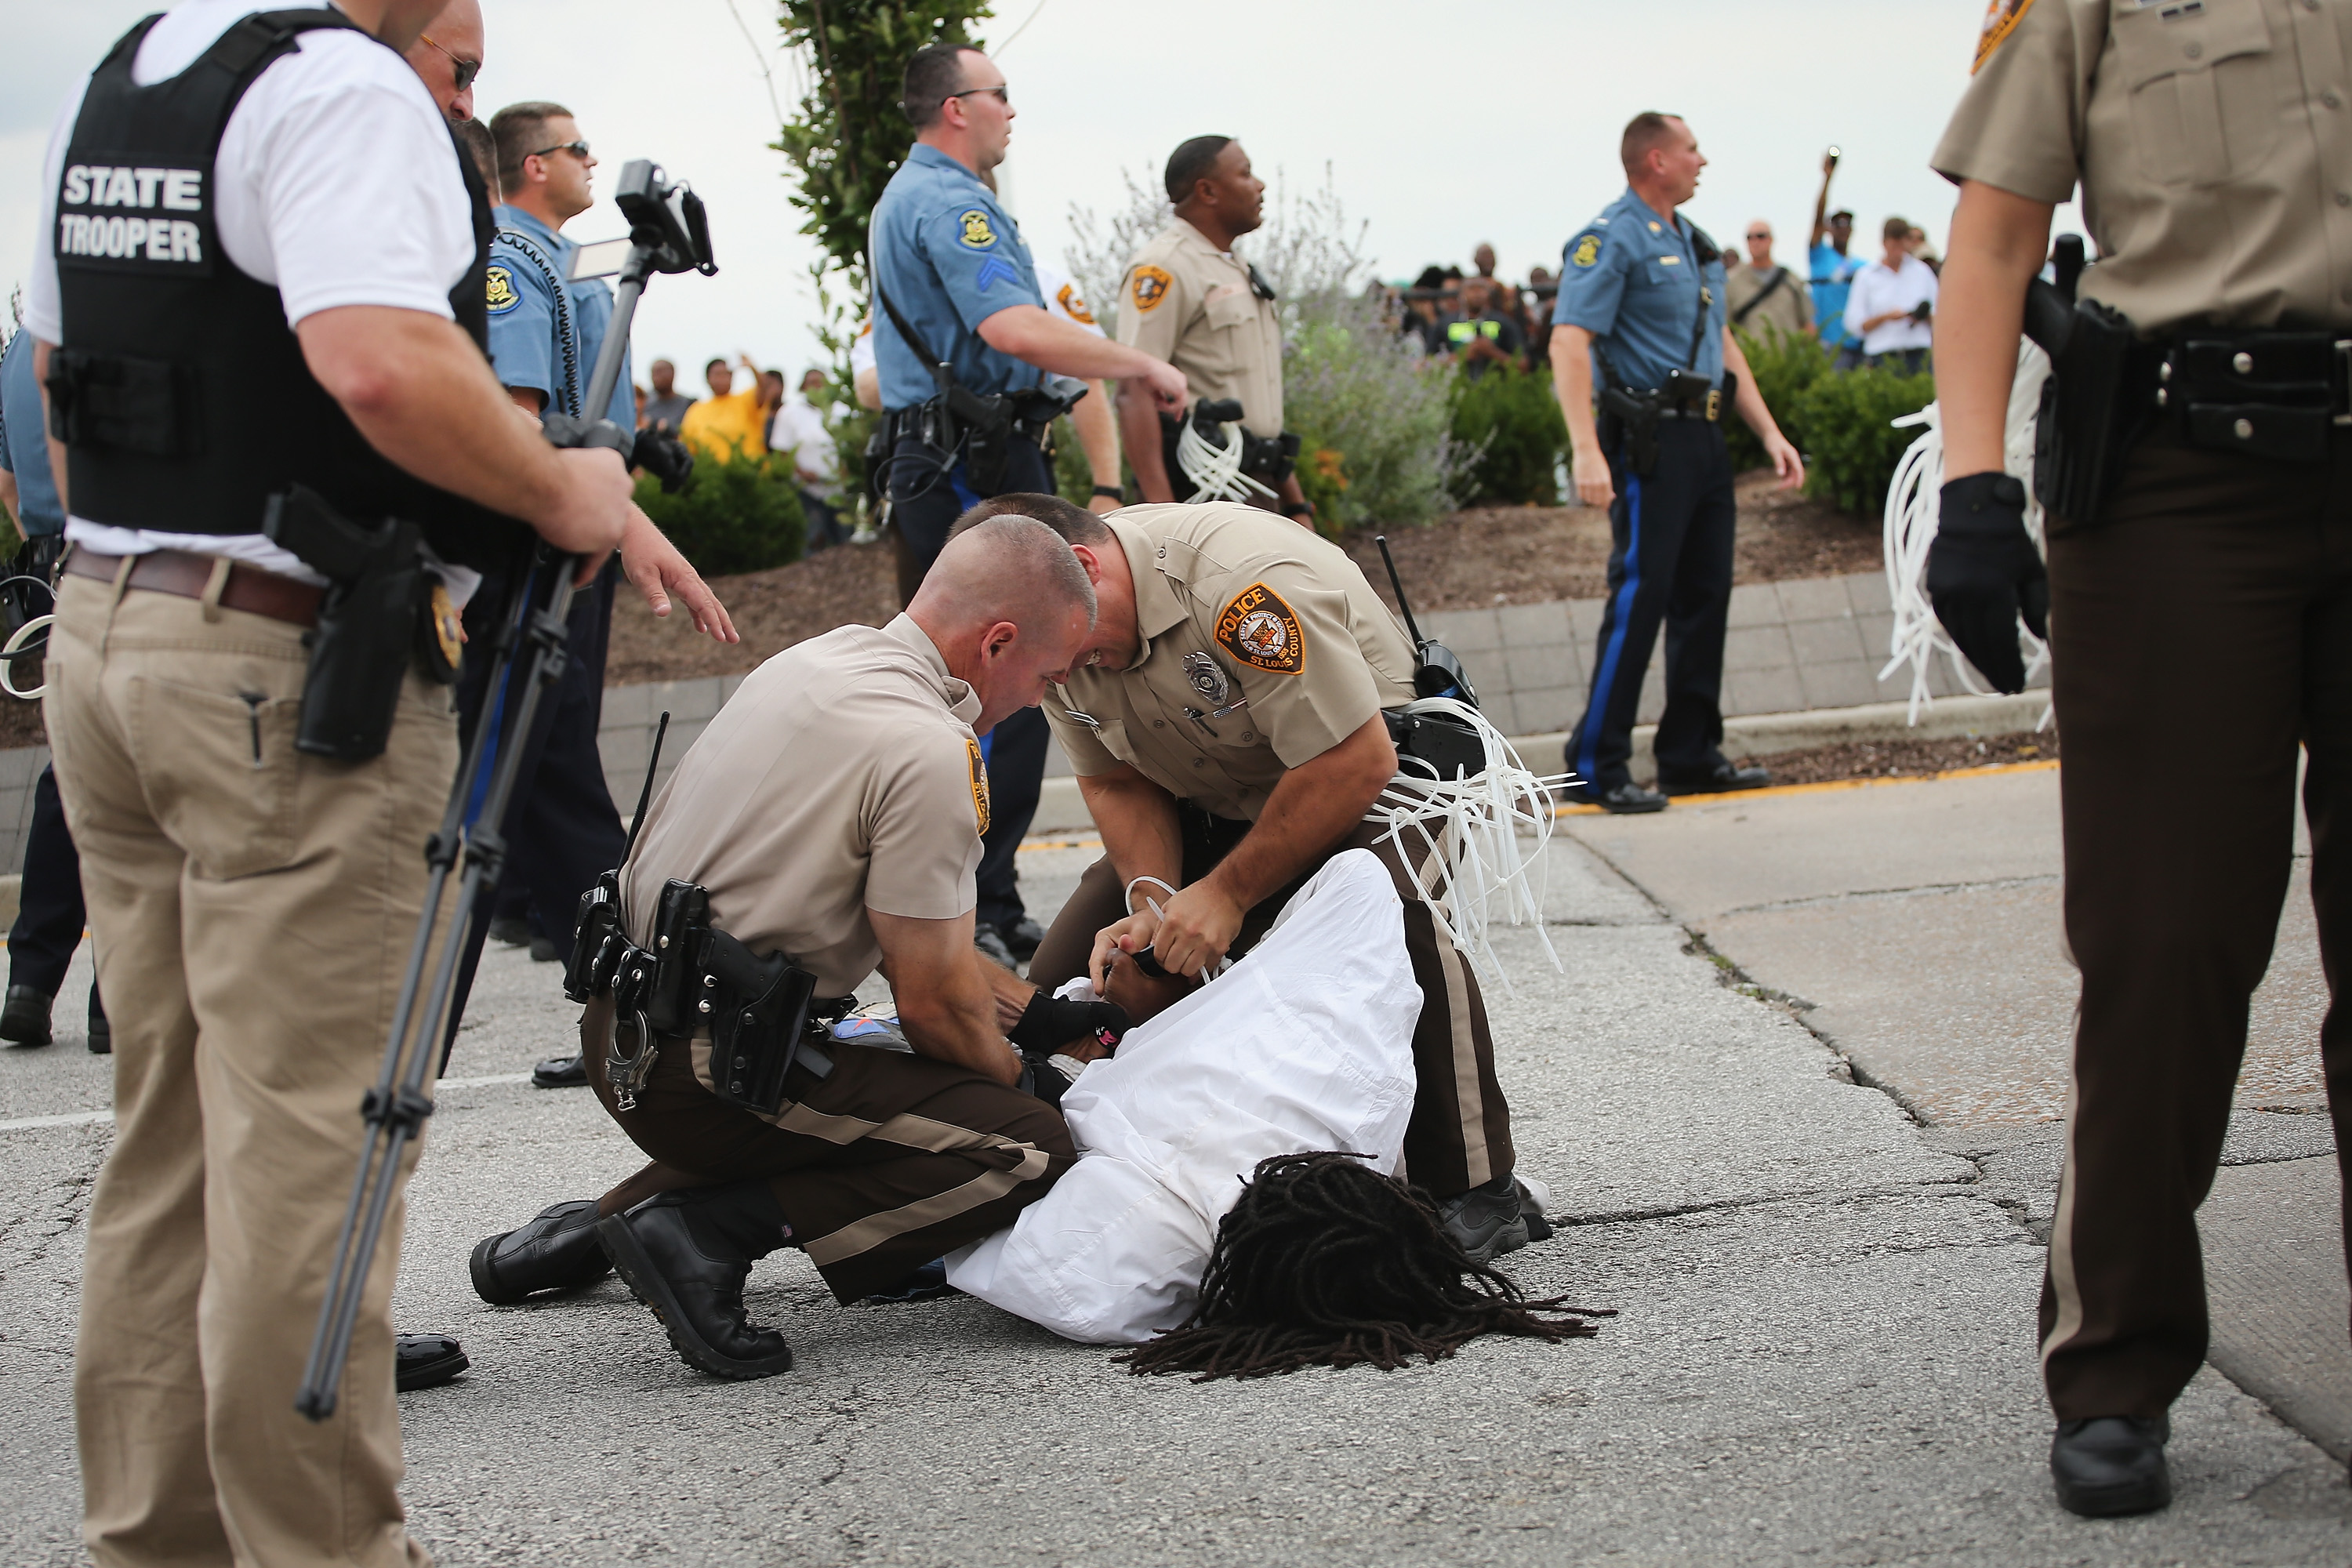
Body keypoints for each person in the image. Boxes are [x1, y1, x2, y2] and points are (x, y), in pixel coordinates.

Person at [25, 0, 638, 1558]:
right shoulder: (341, 94)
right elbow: (376, 366)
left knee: (169, 1138)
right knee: (314, 1148)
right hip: (279, 668)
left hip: (115, 631)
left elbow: (59, 370)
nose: (469, 66)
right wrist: (566, 488)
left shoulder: (136, 77)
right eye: (465, 48)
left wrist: (150, 573)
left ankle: (160, 1539)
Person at [1926, 0, 2350, 1520]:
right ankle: (2116, 1356)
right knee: (2167, 944)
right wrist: (1971, 486)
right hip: (2181, 487)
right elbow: (1996, 236)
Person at [466, 517, 1122, 1378]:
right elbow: (930, 1004)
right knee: (1025, 1142)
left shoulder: (818, 662)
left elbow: (917, 946)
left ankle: (587, 1231)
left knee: (905, 1089)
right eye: (1049, 674)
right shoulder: (931, 750)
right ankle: (701, 1235)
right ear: (997, 642)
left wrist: (1036, 1014)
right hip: (709, 1073)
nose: (1043, 696)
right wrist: (1016, 1074)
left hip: (621, 1027)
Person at [999, 492, 1542, 1265]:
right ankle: (1024, 1186)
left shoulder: (1242, 589)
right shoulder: (1056, 629)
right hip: (1218, 795)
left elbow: (1353, 760)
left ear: (1084, 568)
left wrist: (1224, 895)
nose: (1051, 675)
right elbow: (1116, 781)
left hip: (1375, 774)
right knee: (1056, 984)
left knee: (1395, 909)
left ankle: (1478, 1186)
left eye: (1056, 650)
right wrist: (1153, 901)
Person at [869, 41, 1186, 967]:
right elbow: (1010, 328)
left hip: (953, 451)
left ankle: (973, 896)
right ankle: (970, 902)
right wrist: (1137, 360)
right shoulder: (948, 201)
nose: (1012, 109)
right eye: (999, 94)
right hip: (969, 458)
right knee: (1008, 680)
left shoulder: (921, 197)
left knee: (984, 683)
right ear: (954, 108)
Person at [472, 94, 733, 1090]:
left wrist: (633, 529)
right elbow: (527, 421)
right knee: (546, 770)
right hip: (538, 551)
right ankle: (637, 996)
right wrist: (626, 532)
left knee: (550, 767)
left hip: (567, 546)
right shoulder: (513, 262)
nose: (593, 163)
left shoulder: (555, 260)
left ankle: (633, 996)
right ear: (535, 166)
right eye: (579, 149)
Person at [1550, 112, 1806, 815]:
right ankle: (1597, 763)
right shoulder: (1611, 237)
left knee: (1705, 595)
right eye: (1693, 148)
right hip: (1647, 440)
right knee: (1641, 598)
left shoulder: (1694, 243)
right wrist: (1585, 449)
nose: (1703, 159)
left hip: (1706, 438)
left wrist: (1769, 432)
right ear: (1656, 160)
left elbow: (1722, 344)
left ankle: (1690, 754)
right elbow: (1569, 343)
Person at [0, 325, 104, 1055]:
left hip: (59, 565)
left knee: (70, 770)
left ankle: (30, 980)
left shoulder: (17, 345)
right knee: (149, 770)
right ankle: (117, 999)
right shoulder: (115, 310)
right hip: (127, 554)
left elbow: (9, 478)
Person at [1117, 136, 1314, 522]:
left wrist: (1295, 501)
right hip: (1204, 491)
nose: (1260, 185)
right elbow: (1132, 390)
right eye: (1245, 174)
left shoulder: (1233, 266)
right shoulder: (1164, 267)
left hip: (1256, 483)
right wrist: (1162, 515)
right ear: (1207, 191)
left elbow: (1258, 407)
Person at [1842, 216, 1936, 374]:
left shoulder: (1922, 272)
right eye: (1894, 245)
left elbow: (1941, 312)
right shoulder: (1866, 276)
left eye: (1902, 245)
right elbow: (1854, 324)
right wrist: (1885, 317)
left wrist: (1922, 315)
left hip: (1919, 354)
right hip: (1883, 357)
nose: (1898, 251)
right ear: (1885, 243)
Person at [770, 367, 848, 549]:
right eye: (812, 383)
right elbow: (782, 451)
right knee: (813, 540)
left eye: (821, 382)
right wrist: (801, 472)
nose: (817, 387)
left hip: (838, 489)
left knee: (843, 541)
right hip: (806, 491)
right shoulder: (789, 412)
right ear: (803, 387)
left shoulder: (841, 411)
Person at [1809, 151, 1865, 368]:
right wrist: (1827, 179)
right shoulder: (1820, 256)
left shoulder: (1863, 266)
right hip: (1828, 345)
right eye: (1838, 224)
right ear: (1829, 229)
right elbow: (1817, 217)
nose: (1843, 229)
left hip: (1857, 345)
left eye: (1847, 224)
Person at [1726, 219, 1813, 342]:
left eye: (1761, 236)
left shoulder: (1791, 280)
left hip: (1787, 357)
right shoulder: (1731, 282)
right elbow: (1723, 328)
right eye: (1750, 237)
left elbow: (1807, 325)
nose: (1755, 242)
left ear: (1771, 240)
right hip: (1748, 356)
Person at [678, 352, 765, 459]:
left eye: (726, 374)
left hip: (748, 471)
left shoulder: (745, 401)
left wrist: (752, 368)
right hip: (712, 473)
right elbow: (687, 447)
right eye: (717, 374)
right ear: (708, 379)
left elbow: (764, 389)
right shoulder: (696, 410)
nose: (722, 378)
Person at [1445, 274, 1526, 380]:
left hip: (1496, 388)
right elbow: (1426, 363)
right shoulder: (1445, 323)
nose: (1476, 294)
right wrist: (1463, 355)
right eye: (1472, 289)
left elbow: (1523, 366)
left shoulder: (1504, 322)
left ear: (1488, 293)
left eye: (1481, 289)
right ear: (1461, 294)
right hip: (1455, 388)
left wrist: (1492, 352)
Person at [642, 356, 694, 434]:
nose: (655, 378)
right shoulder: (644, 402)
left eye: (659, 373)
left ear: (672, 374)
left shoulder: (688, 404)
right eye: (653, 373)